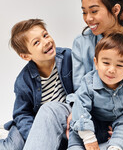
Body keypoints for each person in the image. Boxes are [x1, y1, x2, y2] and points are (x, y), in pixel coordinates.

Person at [23, 0, 123, 150]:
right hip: (88, 116)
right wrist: (77, 116)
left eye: (94, 11)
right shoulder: (81, 42)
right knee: (49, 110)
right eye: (84, 12)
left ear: (115, 10)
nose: (88, 19)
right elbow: (80, 89)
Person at [68, 33, 123, 150]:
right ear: (96, 63)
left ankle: (116, 147)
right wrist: (88, 138)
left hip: (118, 127)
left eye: (119, 65)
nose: (112, 70)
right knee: (77, 123)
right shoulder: (88, 83)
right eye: (106, 63)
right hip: (94, 124)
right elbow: (81, 107)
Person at [0, 19, 73, 150]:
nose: (46, 42)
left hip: (60, 119)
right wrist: (36, 136)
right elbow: (22, 114)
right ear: (26, 56)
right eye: (36, 42)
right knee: (12, 146)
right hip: (32, 123)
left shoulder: (69, 57)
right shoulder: (23, 80)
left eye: (45, 35)